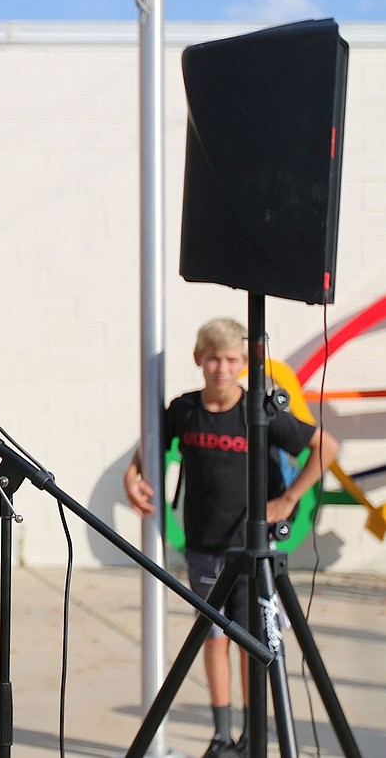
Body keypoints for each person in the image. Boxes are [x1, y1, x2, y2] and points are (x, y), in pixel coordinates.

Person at [123, 317, 337, 758]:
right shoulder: (184, 410)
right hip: (203, 548)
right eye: (214, 358)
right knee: (214, 639)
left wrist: (290, 499)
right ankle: (222, 735)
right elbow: (149, 446)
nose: (222, 367)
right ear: (199, 359)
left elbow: (326, 447)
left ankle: (251, 733)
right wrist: (132, 475)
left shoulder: (258, 410)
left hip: (253, 551)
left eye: (232, 360)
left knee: (253, 642)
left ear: (245, 364)